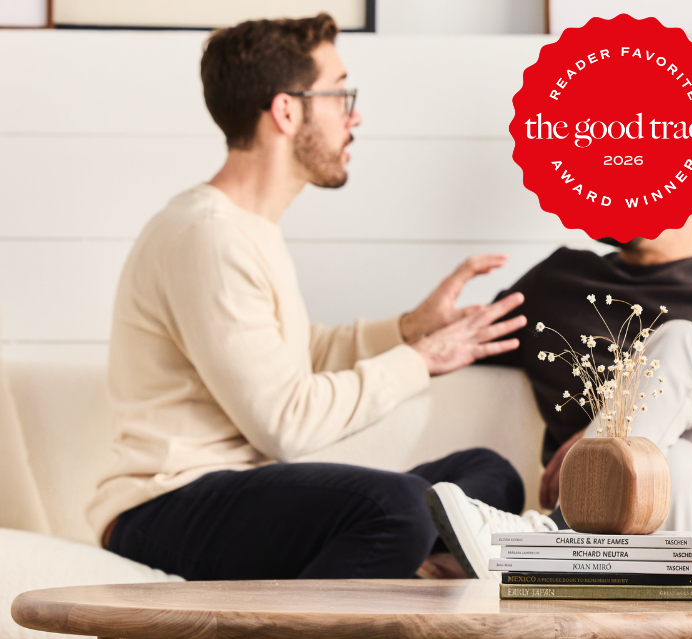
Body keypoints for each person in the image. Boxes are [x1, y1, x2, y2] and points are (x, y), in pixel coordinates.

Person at [87, 14, 551, 583]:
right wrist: (421, 360)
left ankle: (404, 569)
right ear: (287, 111)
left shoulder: (246, 229)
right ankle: (360, 604)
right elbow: (284, 424)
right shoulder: (207, 236)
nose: (354, 117)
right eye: (340, 95)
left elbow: (297, 353)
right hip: (164, 507)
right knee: (401, 509)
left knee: (488, 475)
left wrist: (411, 328)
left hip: (234, 494)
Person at [427, 216, 692, 579]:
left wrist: (602, 432)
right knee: (674, 465)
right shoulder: (557, 279)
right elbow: (455, 345)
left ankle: (560, 530)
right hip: (668, 521)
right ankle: (667, 606)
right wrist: (417, 325)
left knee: (682, 341)